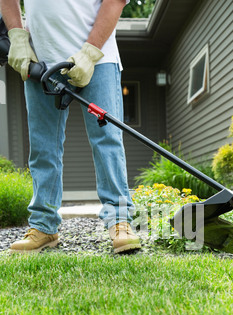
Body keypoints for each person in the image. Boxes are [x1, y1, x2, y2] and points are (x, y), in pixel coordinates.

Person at [1, 0, 141, 255]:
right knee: (43, 146)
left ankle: (120, 221)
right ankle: (43, 226)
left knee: (107, 139)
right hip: (40, 60)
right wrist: (17, 35)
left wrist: (89, 53)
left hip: (98, 59)